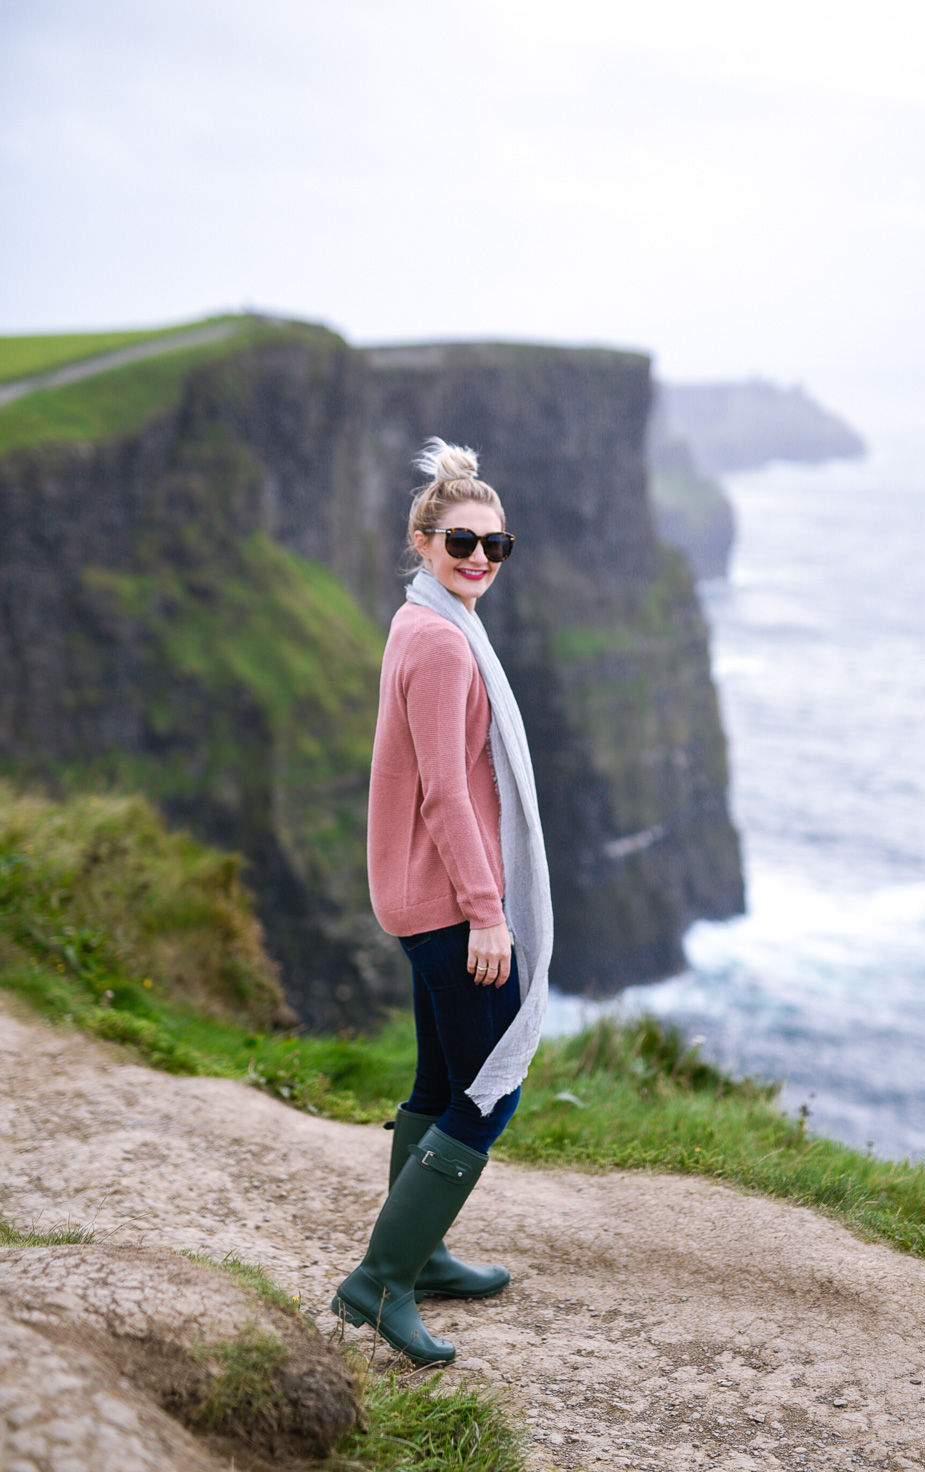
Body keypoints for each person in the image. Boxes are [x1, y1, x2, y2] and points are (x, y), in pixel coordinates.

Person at [332, 438, 553, 1364]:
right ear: (423, 540)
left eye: (494, 547)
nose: (477, 560)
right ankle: (378, 1284)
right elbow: (444, 792)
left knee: (439, 1083)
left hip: (424, 896)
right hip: (449, 908)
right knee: (490, 1094)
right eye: (461, 541)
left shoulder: (424, 621)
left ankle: (417, 1261)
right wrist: (489, 912)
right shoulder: (441, 643)